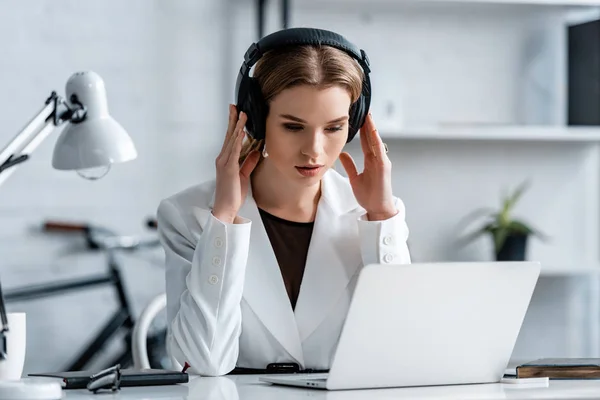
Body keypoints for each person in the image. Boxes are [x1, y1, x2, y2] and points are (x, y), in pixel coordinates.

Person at [156, 28, 411, 377]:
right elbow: (202, 363)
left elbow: (402, 352)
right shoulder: (187, 216)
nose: (314, 151)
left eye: (334, 128)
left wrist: (381, 216)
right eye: (293, 127)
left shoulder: (378, 214)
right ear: (256, 119)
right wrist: (225, 220)